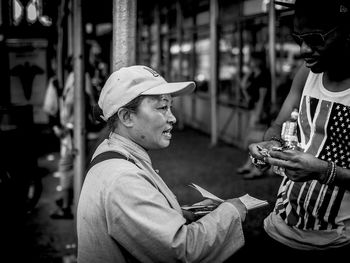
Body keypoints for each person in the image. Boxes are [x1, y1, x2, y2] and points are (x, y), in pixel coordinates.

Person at [77, 65, 248, 263]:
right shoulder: (124, 179)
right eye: (162, 107)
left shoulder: (112, 151)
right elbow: (182, 250)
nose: (172, 118)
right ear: (126, 117)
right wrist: (231, 212)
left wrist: (183, 213)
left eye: (170, 107)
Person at [244, 0, 350, 260]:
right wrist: (269, 145)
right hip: (280, 225)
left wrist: (324, 171)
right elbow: (278, 125)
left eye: (315, 39)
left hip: (337, 240)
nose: (304, 49)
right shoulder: (307, 74)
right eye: (298, 38)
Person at [50, 56, 96, 219]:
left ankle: (66, 204)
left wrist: (67, 126)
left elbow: (75, 107)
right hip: (76, 132)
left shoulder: (78, 81)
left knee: (67, 167)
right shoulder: (81, 80)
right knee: (73, 168)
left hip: (76, 133)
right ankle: (66, 200)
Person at [236, 51, 271, 179]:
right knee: (252, 140)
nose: (251, 62)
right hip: (253, 108)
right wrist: (249, 73)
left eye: (253, 60)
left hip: (259, 109)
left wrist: (259, 113)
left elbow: (262, 97)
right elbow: (244, 87)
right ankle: (248, 165)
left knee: (258, 141)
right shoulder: (254, 75)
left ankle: (258, 169)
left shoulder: (264, 75)